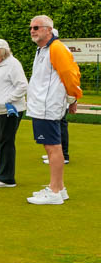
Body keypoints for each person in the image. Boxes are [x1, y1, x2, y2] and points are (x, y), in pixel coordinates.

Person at [26, 15, 81, 205]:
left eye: (37, 27)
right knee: (50, 147)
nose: (32, 30)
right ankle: (59, 187)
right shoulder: (43, 49)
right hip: (41, 106)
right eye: (31, 28)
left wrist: (73, 97)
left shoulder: (56, 48)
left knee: (53, 147)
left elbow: (70, 74)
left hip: (47, 107)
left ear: (48, 30)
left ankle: (55, 191)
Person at [0, 39, 28, 188]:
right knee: (1, 142)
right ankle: (1, 174)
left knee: (6, 142)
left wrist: (7, 101)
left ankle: (7, 178)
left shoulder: (13, 64)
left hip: (10, 110)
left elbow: (22, 86)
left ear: (4, 51)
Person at [43, 28, 71, 165]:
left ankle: (63, 155)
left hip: (59, 98)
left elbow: (67, 74)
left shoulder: (59, 49)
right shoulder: (47, 50)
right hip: (52, 98)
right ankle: (56, 153)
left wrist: (72, 98)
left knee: (61, 125)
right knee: (56, 126)